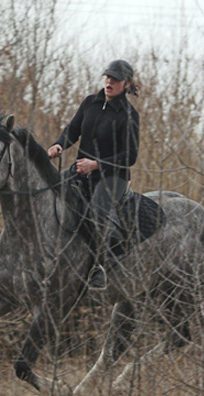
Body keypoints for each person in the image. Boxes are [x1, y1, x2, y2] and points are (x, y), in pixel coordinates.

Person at [48, 59, 140, 289]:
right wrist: (59, 145)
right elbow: (72, 131)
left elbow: (130, 156)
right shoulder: (90, 102)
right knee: (51, 195)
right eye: (107, 76)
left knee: (96, 214)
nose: (109, 81)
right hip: (82, 171)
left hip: (113, 177)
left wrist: (96, 164)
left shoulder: (129, 115)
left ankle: (101, 266)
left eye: (115, 79)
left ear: (126, 84)